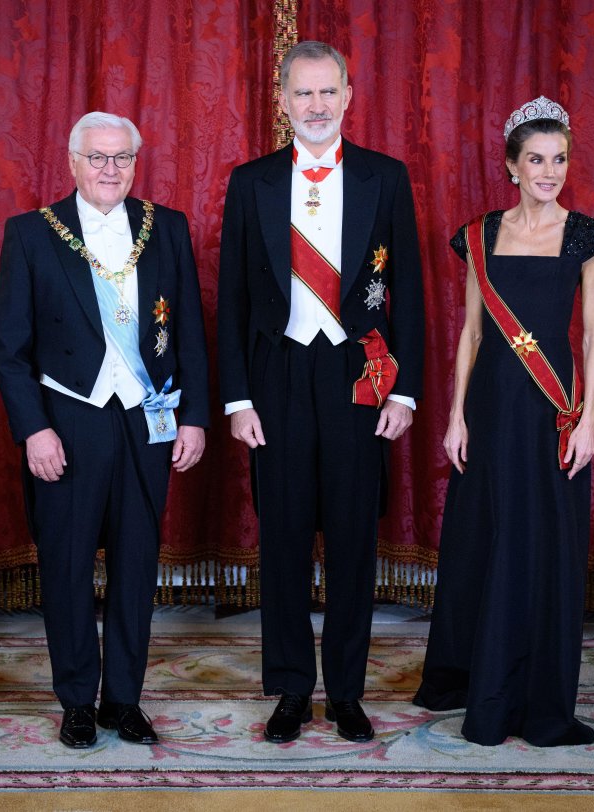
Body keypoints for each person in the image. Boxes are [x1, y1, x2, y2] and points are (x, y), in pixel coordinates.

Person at [217, 41, 424, 744]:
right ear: (282, 101)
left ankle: (346, 691)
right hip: (276, 378)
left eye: (326, 92)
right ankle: (290, 689)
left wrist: (407, 394)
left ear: (349, 95)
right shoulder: (251, 183)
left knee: (352, 541)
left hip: (357, 377)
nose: (315, 106)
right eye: (301, 94)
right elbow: (235, 298)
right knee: (282, 539)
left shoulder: (385, 178)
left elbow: (412, 300)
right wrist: (238, 399)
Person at [0, 112, 209, 749]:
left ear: (135, 162)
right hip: (68, 421)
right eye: (97, 158)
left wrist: (194, 415)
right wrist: (34, 430)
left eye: (121, 158)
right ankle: (77, 702)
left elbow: (191, 328)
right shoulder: (31, 233)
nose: (110, 169)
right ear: (72, 162)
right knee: (66, 565)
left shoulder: (165, 226)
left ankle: (123, 700)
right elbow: (10, 349)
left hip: (150, 417)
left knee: (137, 565)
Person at [412, 96, 594, 746]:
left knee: (546, 550)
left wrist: (587, 422)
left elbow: (592, 336)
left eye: (559, 159)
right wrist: (454, 418)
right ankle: (480, 681)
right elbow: (471, 334)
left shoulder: (586, 237)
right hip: (491, 411)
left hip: (553, 413)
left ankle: (537, 697)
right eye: (536, 159)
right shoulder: (480, 235)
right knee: (489, 541)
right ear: (512, 165)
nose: (549, 171)